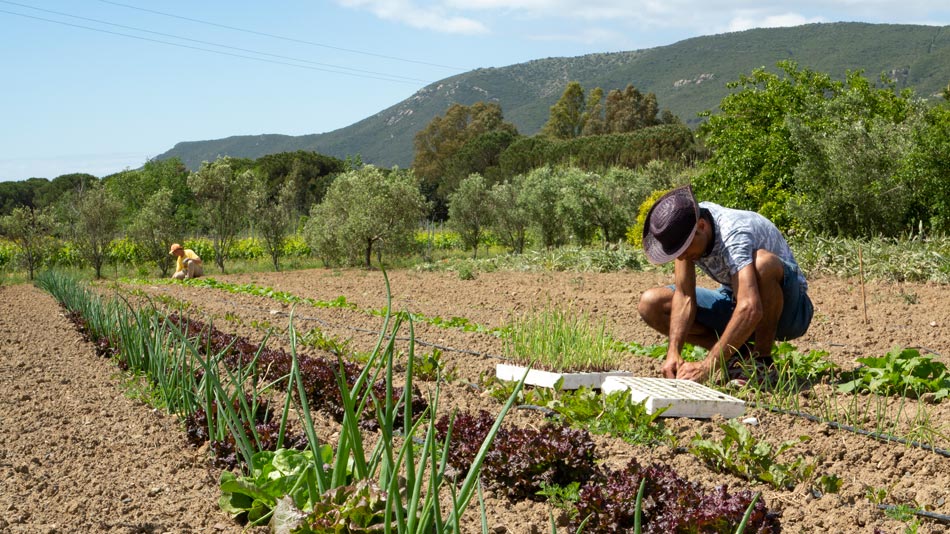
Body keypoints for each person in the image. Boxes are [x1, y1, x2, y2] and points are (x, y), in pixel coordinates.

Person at [637, 185, 813, 384]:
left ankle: (762, 362)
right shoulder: (684, 228)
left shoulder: (733, 234)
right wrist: (673, 352)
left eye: (684, 249)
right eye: (677, 253)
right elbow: (684, 295)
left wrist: (707, 366)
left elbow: (750, 308)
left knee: (762, 264)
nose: (682, 257)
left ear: (702, 226)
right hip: (736, 298)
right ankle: (739, 356)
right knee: (651, 303)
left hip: (790, 313)